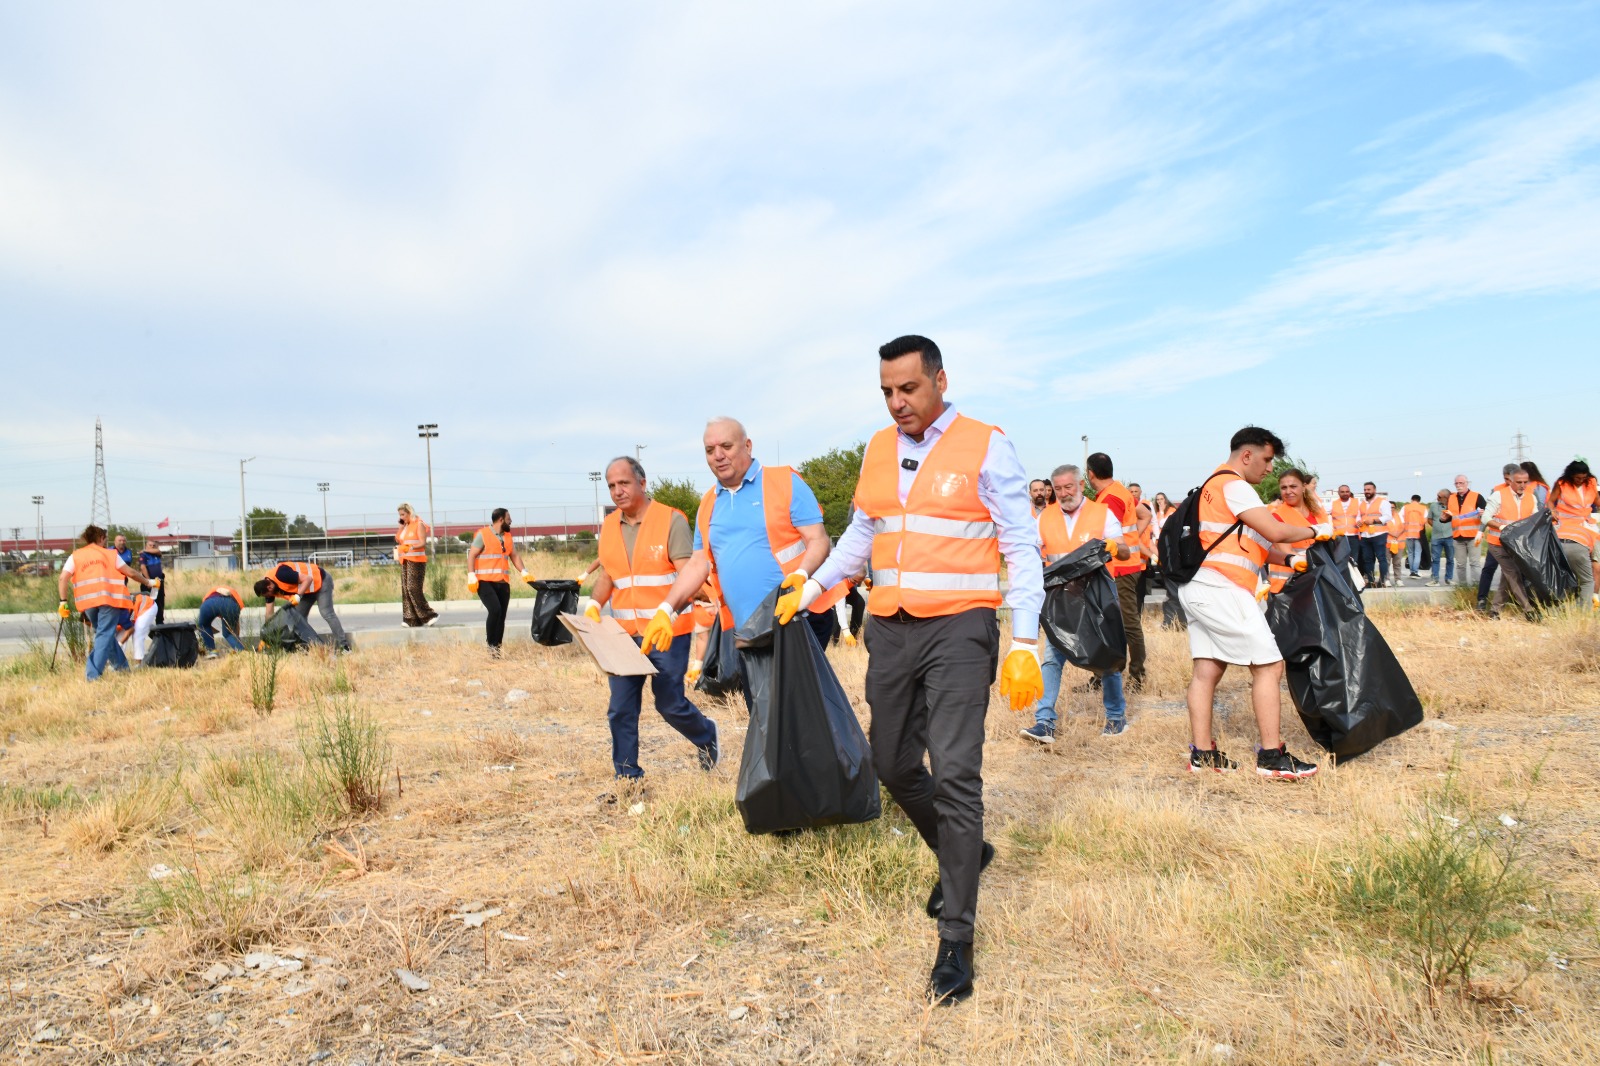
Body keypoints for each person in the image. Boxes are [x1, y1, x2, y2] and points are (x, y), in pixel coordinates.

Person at [783, 335, 1044, 1005]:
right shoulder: (876, 448)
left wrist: (1023, 639)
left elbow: (1021, 542)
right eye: (887, 392)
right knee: (893, 764)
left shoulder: (986, 443)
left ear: (939, 381)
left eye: (909, 388)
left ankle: (956, 938)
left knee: (956, 774)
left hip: (960, 628)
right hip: (891, 628)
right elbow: (860, 542)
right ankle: (967, 852)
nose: (898, 402)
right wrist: (811, 592)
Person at [1178, 427, 1319, 780]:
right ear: (1247, 456)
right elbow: (1276, 531)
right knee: (1269, 667)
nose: (1270, 469)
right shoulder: (1235, 485)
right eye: (1267, 459)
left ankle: (1203, 755)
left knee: (1207, 671)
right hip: (1222, 589)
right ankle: (1272, 756)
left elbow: (1253, 542)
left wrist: (1289, 561)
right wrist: (1318, 531)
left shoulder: (1210, 486)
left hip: (1199, 587)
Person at [647, 417, 846, 664]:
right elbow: (698, 565)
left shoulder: (785, 482)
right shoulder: (708, 504)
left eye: (726, 446)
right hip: (747, 627)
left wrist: (803, 576)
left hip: (798, 618)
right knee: (760, 702)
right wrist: (666, 610)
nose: (718, 455)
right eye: (710, 450)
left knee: (794, 701)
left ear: (748, 446)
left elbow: (818, 539)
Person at [587, 457, 721, 783]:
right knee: (620, 708)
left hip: (668, 632)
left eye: (624, 483)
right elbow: (609, 573)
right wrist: (593, 603)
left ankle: (706, 735)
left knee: (670, 704)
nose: (617, 491)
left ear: (642, 483)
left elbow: (687, 574)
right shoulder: (609, 526)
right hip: (623, 635)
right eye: (611, 486)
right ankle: (628, 777)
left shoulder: (671, 520)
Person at [1020, 463, 1131, 742]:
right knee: (1052, 657)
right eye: (1057, 489)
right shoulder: (1044, 517)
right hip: (1059, 597)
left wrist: (1115, 547)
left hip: (1095, 594)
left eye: (1069, 487)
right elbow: (1031, 553)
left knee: (1105, 654)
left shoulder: (1101, 512)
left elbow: (1126, 550)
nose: (1064, 493)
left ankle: (1116, 717)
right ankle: (1044, 722)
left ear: (1081, 485)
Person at [1085, 452, 1149, 690]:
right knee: (1114, 624)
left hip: (1119, 568)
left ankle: (1136, 677)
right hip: (1124, 566)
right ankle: (1104, 676)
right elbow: (1146, 515)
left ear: (1090, 474)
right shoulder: (1120, 491)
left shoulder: (1109, 499)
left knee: (1127, 624)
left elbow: (1101, 536)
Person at [57, 524, 153, 681]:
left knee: (104, 635)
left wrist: (63, 602)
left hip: (88, 603)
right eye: (105, 539)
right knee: (104, 635)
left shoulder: (75, 556)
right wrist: (148, 582)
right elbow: (130, 572)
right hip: (109, 600)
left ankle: (122, 668)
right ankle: (93, 676)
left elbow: (63, 578)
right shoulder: (110, 554)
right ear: (101, 538)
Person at [466, 508, 534, 656]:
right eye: (509, 518)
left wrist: (524, 571)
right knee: (495, 610)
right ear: (501, 520)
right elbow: (472, 555)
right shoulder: (483, 535)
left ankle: (497, 648)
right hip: (484, 582)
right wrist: (471, 575)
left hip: (503, 582)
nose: (511, 521)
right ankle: (491, 645)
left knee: (501, 615)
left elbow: (514, 555)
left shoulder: (508, 537)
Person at [1482, 465, 1541, 619]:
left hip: (1517, 545)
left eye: (1525, 482)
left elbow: (1533, 520)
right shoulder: (1498, 495)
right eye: (1519, 482)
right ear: (1511, 482)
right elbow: (1485, 518)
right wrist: (1502, 527)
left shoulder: (1531, 497)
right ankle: (1529, 611)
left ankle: (1495, 611)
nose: (1522, 485)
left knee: (1507, 577)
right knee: (1513, 574)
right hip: (1498, 543)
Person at [253, 561, 352, 650]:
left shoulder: (281, 574)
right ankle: (310, 648)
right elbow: (269, 613)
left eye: (267, 595)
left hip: (321, 580)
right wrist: (267, 635)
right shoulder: (268, 587)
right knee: (297, 619)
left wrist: (298, 596)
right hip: (307, 591)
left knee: (327, 613)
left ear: (269, 587)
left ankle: (344, 646)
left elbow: (308, 579)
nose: (269, 597)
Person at [1267, 468, 1327, 594]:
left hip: (1316, 579)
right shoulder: (1278, 517)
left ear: (1304, 487)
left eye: (1293, 486)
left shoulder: (1318, 513)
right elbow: (1286, 552)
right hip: (1287, 586)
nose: (1288, 491)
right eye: (1284, 488)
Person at [1549, 460, 1599, 606]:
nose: (1581, 481)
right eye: (1578, 478)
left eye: (1583, 478)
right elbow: (1551, 501)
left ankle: (1593, 598)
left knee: (1597, 563)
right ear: (1571, 475)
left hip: (1587, 527)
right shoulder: (1561, 484)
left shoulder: (1591, 483)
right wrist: (1552, 511)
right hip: (1565, 526)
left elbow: (1596, 500)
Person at [1476, 465, 1521, 608]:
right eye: (1507, 479)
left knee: (1513, 572)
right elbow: (1486, 514)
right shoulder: (1497, 491)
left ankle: (1512, 601)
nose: (1509, 482)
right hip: (1496, 540)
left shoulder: (1524, 491)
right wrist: (1480, 530)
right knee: (1489, 568)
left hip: (1516, 542)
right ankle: (1481, 599)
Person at [395, 503, 437, 628]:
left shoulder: (419, 524)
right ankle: (411, 619)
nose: (401, 517)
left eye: (403, 514)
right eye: (399, 515)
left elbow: (422, 543)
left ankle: (430, 615)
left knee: (413, 588)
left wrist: (410, 547)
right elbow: (398, 539)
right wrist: (401, 526)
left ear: (409, 512)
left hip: (417, 560)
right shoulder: (405, 526)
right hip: (405, 560)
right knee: (406, 589)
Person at [1447, 475, 1488, 587]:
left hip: (1473, 536)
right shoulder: (1451, 498)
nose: (1459, 485)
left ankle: (1477, 587)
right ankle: (1463, 586)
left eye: (1461, 483)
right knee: (1460, 564)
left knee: (1474, 563)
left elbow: (1486, 515)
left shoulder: (1477, 496)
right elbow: (1449, 516)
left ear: (1467, 483)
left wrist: (1482, 514)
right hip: (1457, 536)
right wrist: (1443, 518)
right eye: (1457, 483)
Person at [1355, 482, 1392, 587]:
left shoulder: (1382, 502)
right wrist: (1358, 521)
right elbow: (1359, 516)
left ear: (1374, 490)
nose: (1367, 492)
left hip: (1379, 534)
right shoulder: (1362, 503)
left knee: (1381, 558)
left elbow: (1388, 516)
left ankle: (1383, 581)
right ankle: (1371, 581)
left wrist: (1375, 521)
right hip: (1365, 534)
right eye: (1365, 490)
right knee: (1368, 559)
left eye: (1369, 489)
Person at [198, 585, 247, 656]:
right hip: (231, 605)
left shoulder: (212, 591)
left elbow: (205, 621)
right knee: (229, 633)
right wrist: (235, 636)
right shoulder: (235, 595)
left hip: (209, 603)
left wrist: (208, 630)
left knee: (203, 626)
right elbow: (236, 626)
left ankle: (212, 652)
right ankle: (241, 652)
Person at [115, 591, 160, 664]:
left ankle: (139, 663)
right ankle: (117, 663)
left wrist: (119, 644)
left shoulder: (119, 613)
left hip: (147, 606)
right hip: (134, 610)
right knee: (119, 639)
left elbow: (130, 629)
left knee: (137, 634)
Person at [1426, 489, 1456, 586]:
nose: (1437, 498)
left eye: (1440, 496)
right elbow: (1429, 519)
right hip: (1436, 537)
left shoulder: (1453, 507)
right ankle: (1435, 580)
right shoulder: (1433, 506)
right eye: (1437, 496)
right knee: (1435, 559)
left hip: (1450, 536)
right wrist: (1435, 526)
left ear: (1446, 498)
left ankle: (1449, 579)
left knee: (1450, 559)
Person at [1328, 485, 1361, 559]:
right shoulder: (1333, 504)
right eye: (1342, 492)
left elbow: (1362, 515)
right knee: (1340, 559)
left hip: (1354, 536)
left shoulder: (1357, 502)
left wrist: (1360, 521)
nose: (1345, 493)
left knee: (1354, 559)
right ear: (1338, 493)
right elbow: (1322, 514)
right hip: (1339, 536)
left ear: (1350, 492)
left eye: (1347, 491)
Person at [1400, 495, 1429, 579]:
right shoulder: (1423, 508)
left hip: (1408, 533)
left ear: (1411, 499)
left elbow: (1400, 518)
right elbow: (1425, 520)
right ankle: (1415, 571)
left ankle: (1411, 571)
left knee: (1410, 553)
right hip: (1419, 534)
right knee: (1417, 553)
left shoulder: (1405, 507)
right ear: (1419, 500)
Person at [138, 542, 166, 623]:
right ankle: (145, 621)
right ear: (146, 546)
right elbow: (143, 568)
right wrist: (148, 580)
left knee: (160, 601)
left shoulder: (157, 554)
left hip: (159, 581)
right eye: (150, 545)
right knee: (149, 601)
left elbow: (158, 551)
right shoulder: (144, 555)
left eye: (154, 545)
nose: (152, 547)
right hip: (150, 582)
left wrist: (145, 550)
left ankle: (160, 621)